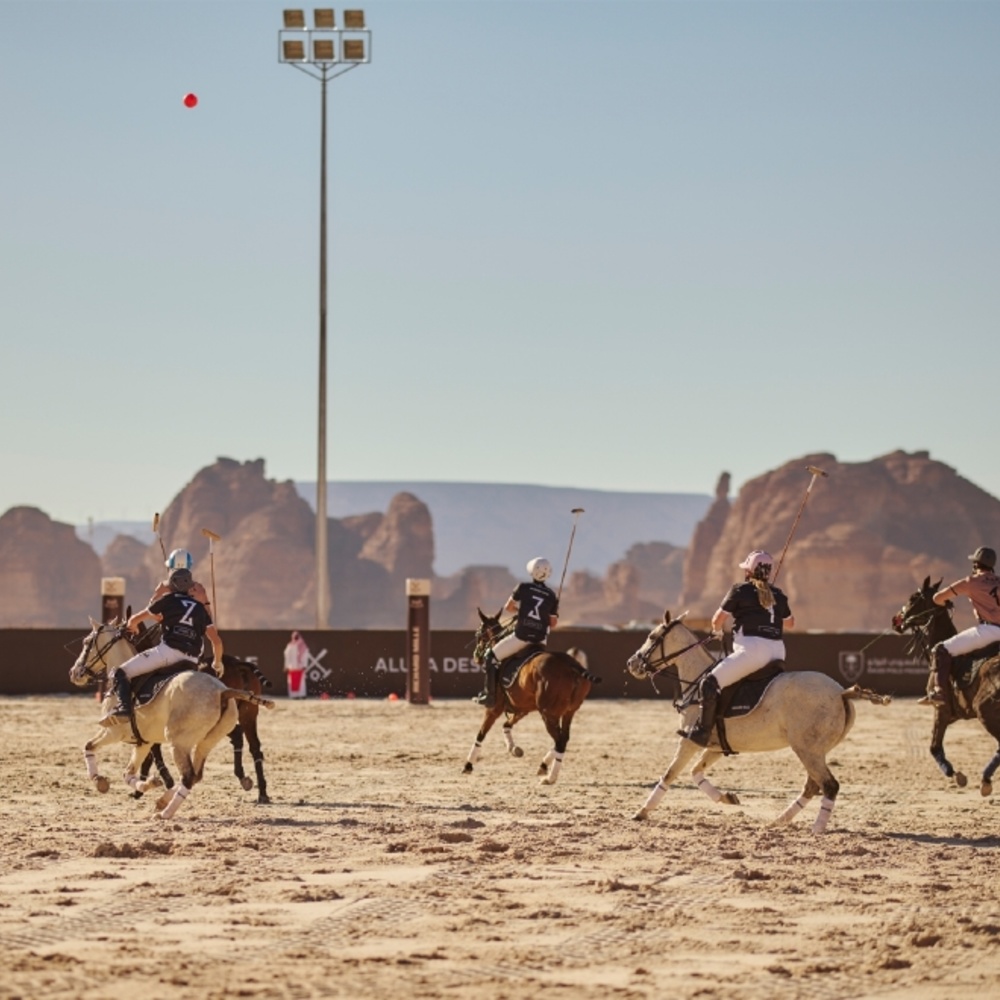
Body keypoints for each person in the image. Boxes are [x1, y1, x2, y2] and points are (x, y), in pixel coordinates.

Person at [681, 550, 795, 746]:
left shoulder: (739, 590)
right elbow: (790, 624)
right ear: (768, 572)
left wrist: (716, 631)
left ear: (749, 571)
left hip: (752, 652)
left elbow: (718, 619)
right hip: (778, 652)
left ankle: (702, 732)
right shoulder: (778, 595)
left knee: (708, 683)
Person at [99, 567, 223, 726]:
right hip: (192, 660)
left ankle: (124, 709)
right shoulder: (200, 609)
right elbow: (217, 642)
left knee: (119, 672)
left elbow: (136, 619)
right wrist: (217, 663)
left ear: (172, 585)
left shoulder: (167, 599)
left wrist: (134, 626)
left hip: (167, 653)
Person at [473, 557, 560, 708]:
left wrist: (522, 612)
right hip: (540, 641)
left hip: (522, 637)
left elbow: (509, 608)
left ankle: (490, 696)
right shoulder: (552, 596)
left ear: (532, 571)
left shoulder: (523, 587)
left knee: (490, 657)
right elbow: (552, 623)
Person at [922, 546, 1000, 706]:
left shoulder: (971, 582)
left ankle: (939, 692)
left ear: (976, 565)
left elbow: (937, 598)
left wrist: (944, 601)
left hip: (989, 630)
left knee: (940, 649)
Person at [283, 631, 311, 699]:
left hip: (300, 667)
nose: (296, 638)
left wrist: (304, 665)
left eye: (297, 636)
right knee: (291, 682)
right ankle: (294, 695)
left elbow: (305, 655)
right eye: (295, 636)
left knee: (301, 683)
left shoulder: (303, 646)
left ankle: (301, 695)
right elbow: (287, 656)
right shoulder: (289, 646)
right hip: (292, 667)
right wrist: (286, 666)